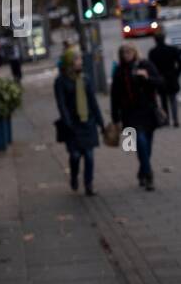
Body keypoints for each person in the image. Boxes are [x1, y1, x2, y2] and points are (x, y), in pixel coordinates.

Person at [110, 43, 164, 190]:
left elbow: (160, 82)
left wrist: (147, 77)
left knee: (147, 147)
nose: (126, 55)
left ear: (135, 52)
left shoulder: (145, 65)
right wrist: (115, 119)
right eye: (124, 53)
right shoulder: (119, 71)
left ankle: (142, 171)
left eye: (129, 52)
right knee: (139, 142)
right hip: (130, 114)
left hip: (148, 111)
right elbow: (114, 97)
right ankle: (149, 175)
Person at [54, 48, 105, 196]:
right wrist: (67, 121)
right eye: (77, 60)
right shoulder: (61, 81)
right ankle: (74, 176)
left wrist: (101, 123)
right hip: (72, 124)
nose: (80, 62)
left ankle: (89, 184)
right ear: (70, 63)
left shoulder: (85, 79)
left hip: (87, 122)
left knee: (89, 155)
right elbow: (61, 103)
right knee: (75, 155)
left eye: (80, 60)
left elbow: (93, 102)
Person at [148, 33, 181, 127]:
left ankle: (166, 120)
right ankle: (175, 120)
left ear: (155, 40)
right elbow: (179, 62)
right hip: (172, 77)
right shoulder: (173, 49)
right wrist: (176, 73)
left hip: (160, 78)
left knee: (163, 100)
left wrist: (155, 77)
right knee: (173, 99)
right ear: (164, 38)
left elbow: (151, 67)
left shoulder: (153, 52)